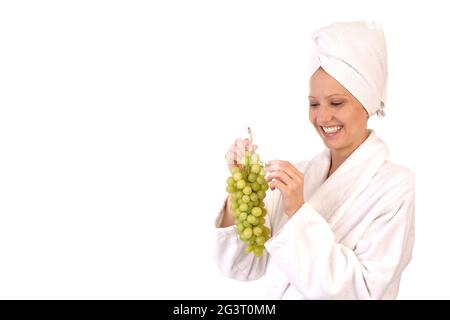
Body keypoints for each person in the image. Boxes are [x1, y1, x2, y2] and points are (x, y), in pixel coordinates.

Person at [213, 21, 415, 299]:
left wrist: (299, 213)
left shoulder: (394, 186)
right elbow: (244, 265)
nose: (322, 117)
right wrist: (239, 191)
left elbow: (367, 292)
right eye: (314, 103)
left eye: (336, 103)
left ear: (366, 102)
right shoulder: (302, 173)